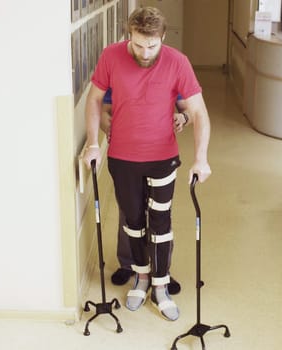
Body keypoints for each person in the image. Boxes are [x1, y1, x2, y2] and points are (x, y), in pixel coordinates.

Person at [83, 6, 211, 321]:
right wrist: (92, 143)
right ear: (130, 35)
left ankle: (161, 284)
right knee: (133, 223)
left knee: (160, 224)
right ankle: (140, 278)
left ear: (162, 38)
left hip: (163, 159)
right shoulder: (111, 56)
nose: (145, 52)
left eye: (152, 46)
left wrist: (201, 158)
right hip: (123, 159)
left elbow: (198, 112)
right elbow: (95, 99)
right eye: (139, 45)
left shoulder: (177, 62)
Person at [101, 88, 187, 295]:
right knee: (129, 213)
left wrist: (183, 117)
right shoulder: (119, 74)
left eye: (150, 51)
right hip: (127, 155)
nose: (145, 53)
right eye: (140, 51)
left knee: (161, 216)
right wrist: (108, 126)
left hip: (159, 155)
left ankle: (161, 271)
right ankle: (128, 264)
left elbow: (189, 109)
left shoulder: (169, 72)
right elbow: (105, 110)